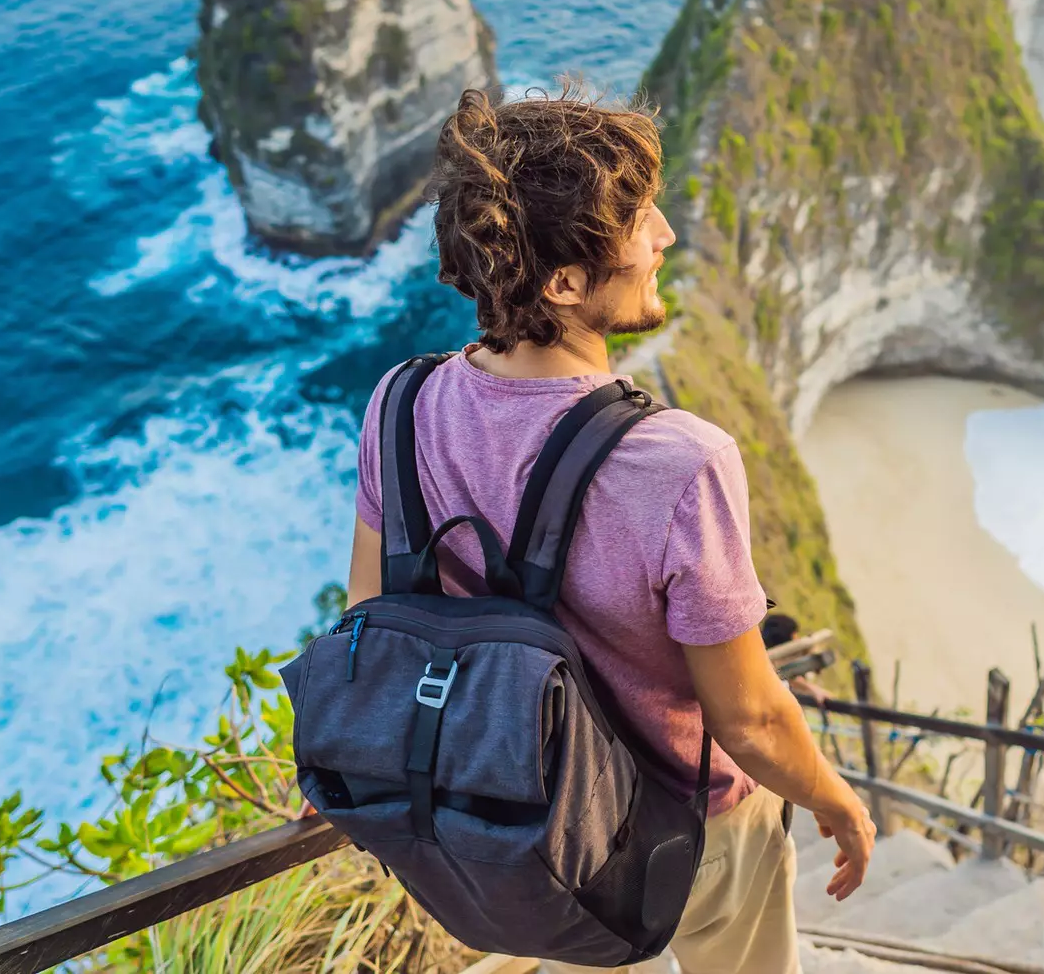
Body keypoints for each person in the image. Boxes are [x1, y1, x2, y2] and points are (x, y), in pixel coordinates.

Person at [341, 86, 875, 974]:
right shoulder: (678, 461)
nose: (664, 233)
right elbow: (746, 718)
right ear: (563, 283)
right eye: (637, 220)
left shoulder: (400, 403)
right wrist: (836, 799)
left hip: (518, 812)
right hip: (685, 828)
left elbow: (370, 617)